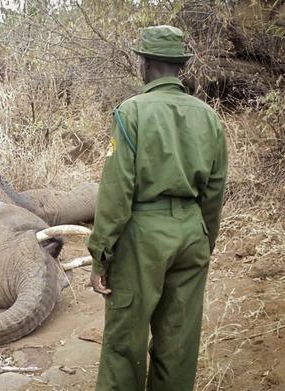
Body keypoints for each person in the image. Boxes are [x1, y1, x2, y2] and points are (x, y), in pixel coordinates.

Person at [86, 25, 228, 391]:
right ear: (179, 66)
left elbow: (117, 192)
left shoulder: (131, 112)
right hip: (192, 233)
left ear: (145, 64)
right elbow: (214, 190)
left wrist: (101, 256)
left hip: (143, 236)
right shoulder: (208, 117)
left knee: (124, 342)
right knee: (178, 343)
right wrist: (204, 241)